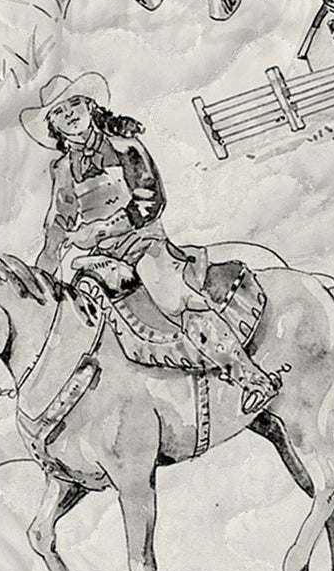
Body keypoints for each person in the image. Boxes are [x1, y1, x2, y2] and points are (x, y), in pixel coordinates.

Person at [24, 73, 272, 396]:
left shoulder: (125, 147)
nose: (69, 114)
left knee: (173, 300)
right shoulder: (62, 169)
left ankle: (250, 378)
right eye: (59, 111)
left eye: (74, 103)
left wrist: (102, 228)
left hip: (145, 245)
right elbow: (57, 226)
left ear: (90, 105)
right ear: (53, 126)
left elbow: (150, 200)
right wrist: (39, 283)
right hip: (101, 262)